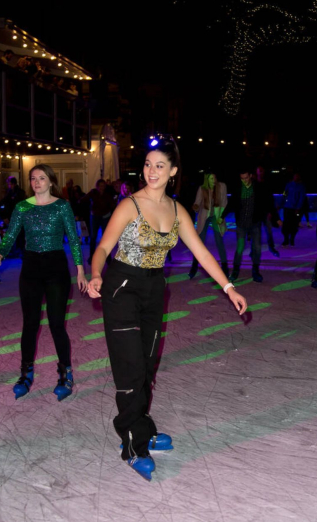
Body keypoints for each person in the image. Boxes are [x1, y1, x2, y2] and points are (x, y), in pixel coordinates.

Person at [87, 138, 247, 481]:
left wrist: (229, 287)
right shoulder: (130, 205)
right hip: (122, 286)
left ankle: (140, 425)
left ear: (173, 171)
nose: (152, 171)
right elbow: (102, 247)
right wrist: (96, 273)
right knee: (130, 368)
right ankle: (134, 443)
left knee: (146, 366)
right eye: (148, 164)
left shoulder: (177, 211)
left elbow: (202, 252)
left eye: (160, 165)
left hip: (154, 289)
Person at [0, 165, 87, 400]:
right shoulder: (22, 207)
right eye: (33, 178)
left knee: (56, 324)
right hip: (31, 268)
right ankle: (26, 373)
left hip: (56, 268)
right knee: (30, 324)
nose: (36, 182)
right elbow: (11, 235)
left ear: (51, 181)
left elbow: (73, 239)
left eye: (42, 178)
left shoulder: (61, 206)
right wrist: (0, 255)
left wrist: (81, 271)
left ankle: (66, 373)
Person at [224, 167, 279, 283]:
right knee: (240, 248)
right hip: (241, 224)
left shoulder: (258, 188)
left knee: (257, 247)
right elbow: (231, 204)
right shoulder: (238, 189)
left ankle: (255, 271)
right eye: (242, 179)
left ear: (250, 176)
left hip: (255, 223)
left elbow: (269, 203)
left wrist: (276, 217)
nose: (244, 181)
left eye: (246, 178)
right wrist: (222, 216)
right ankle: (235, 271)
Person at [188, 171, 228, 278]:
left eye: (215, 178)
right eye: (211, 179)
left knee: (219, 241)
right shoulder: (202, 189)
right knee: (199, 243)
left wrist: (221, 217)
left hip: (216, 216)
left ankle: (225, 267)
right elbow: (197, 203)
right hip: (204, 216)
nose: (214, 181)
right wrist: (195, 207)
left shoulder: (222, 186)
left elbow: (224, 203)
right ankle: (194, 266)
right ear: (207, 180)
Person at [85, 179, 116, 263]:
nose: (102, 187)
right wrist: (91, 208)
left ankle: (108, 258)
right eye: (100, 186)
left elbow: (112, 204)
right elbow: (84, 199)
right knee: (93, 237)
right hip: (95, 216)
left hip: (105, 216)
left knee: (105, 238)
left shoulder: (107, 194)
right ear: (97, 186)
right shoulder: (93, 192)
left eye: (103, 186)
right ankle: (92, 257)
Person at [256, 166, 280, 256]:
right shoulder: (254, 184)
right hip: (257, 212)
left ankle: (271, 247)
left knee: (269, 231)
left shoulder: (267, 184)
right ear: (257, 172)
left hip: (266, 212)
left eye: (262, 171)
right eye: (259, 171)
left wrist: (271, 212)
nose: (261, 172)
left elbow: (270, 199)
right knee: (256, 232)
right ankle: (255, 249)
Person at [282, 173, 306, 247]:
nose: (296, 177)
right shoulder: (288, 185)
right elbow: (284, 193)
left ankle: (292, 238)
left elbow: (301, 198)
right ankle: (286, 239)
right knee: (286, 224)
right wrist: (281, 202)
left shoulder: (301, 186)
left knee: (294, 224)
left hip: (295, 209)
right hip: (287, 207)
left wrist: (298, 207)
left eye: (297, 176)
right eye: (295, 176)